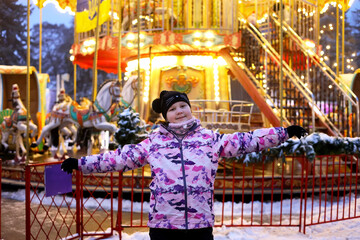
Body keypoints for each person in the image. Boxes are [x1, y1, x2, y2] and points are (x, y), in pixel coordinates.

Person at [61, 90, 307, 240]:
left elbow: (247, 140)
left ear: (190, 109)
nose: (179, 111)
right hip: (164, 226)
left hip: (200, 225)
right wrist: (80, 163)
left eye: (183, 106)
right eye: (173, 108)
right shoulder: (153, 143)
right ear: (165, 116)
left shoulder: (210, 140)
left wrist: (283, 132)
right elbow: (117, 158)